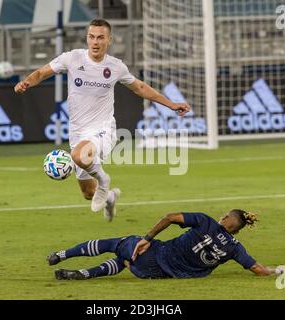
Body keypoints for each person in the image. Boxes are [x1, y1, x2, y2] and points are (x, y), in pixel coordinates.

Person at [14, 19, 190, 222]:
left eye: (100, 37)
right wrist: (26, 82)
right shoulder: (72, 58)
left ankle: (104, 180)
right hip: (77, 133)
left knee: (78, 156)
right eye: (91, 37)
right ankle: (110, 197)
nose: (95, 42)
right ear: (87, 38)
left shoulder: (115, 66)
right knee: (88, 193)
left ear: (109, 40)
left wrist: (170, 104)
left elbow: (140, 87)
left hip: (103, 129)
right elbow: (42, 72)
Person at [46, 209, 285, 280]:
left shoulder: (206, 222)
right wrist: (279, 270)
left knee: (119, 243)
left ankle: (62, 254)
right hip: (159, 275)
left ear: (228, 220)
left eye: (226, 214)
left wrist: (147, 238)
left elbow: (169, 217)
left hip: (156, 255)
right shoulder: (235, 249)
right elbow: (258, 270)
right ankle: (82, 274)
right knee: (124, 260)